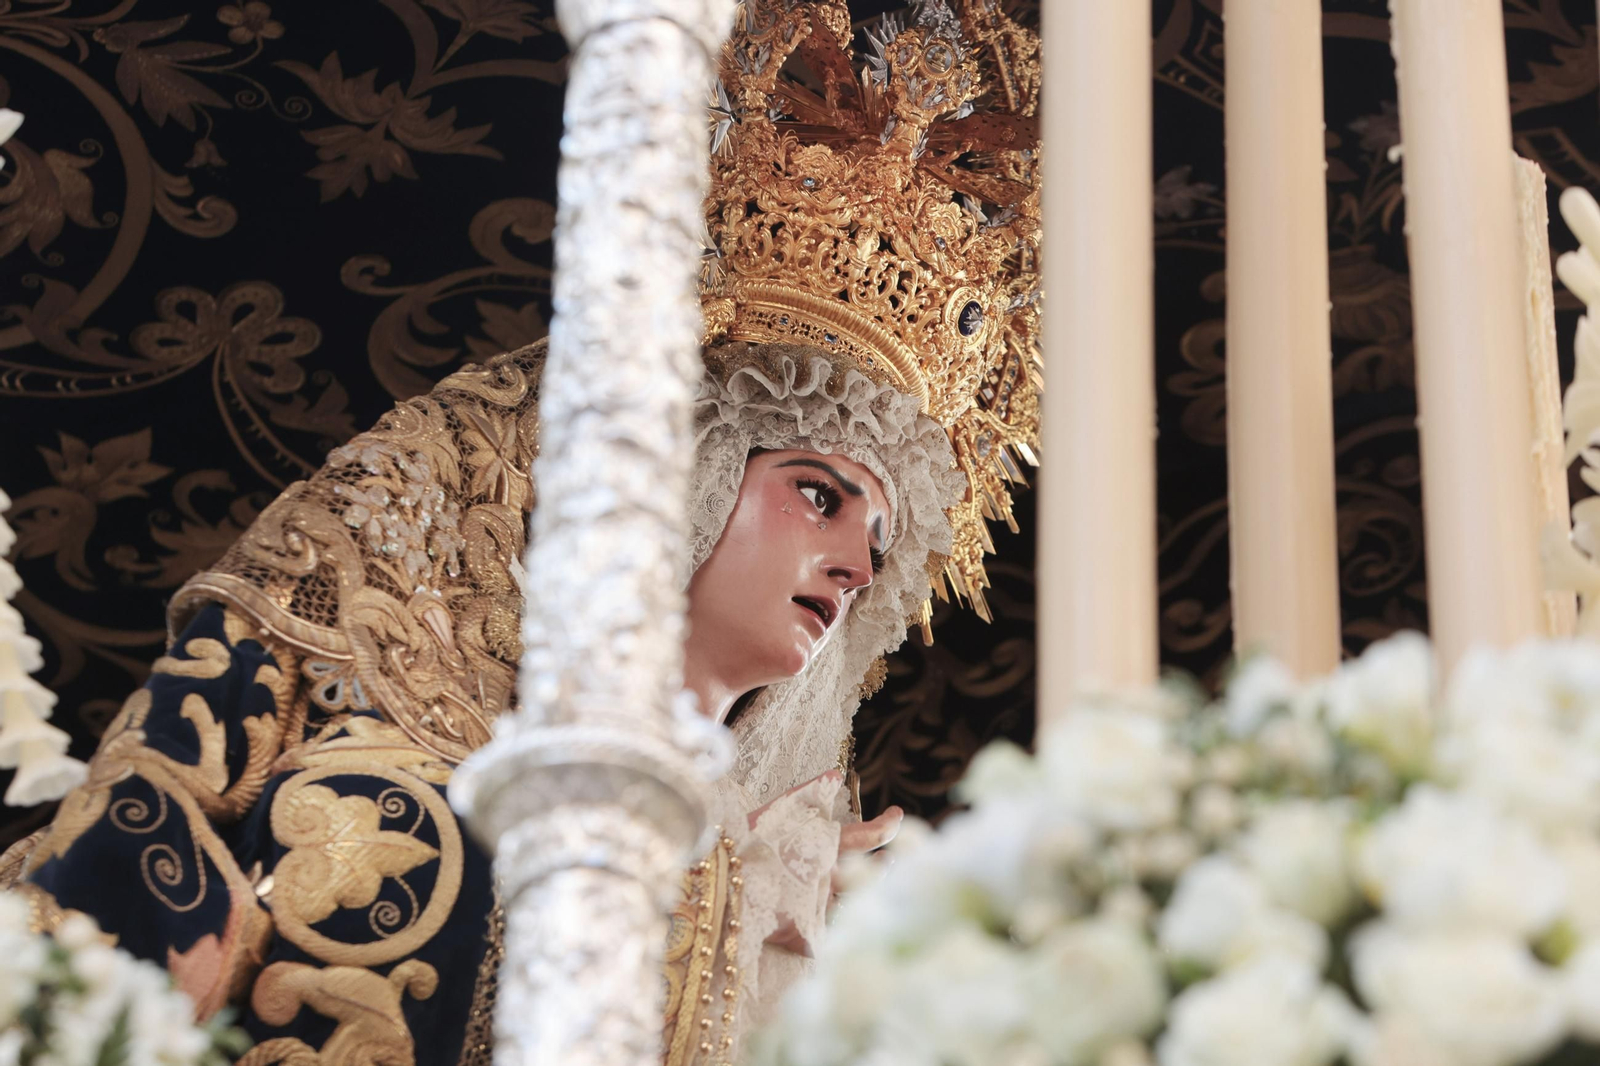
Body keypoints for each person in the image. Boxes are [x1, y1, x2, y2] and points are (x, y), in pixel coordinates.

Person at [4, 2, 1041, 1063]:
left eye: (878, 537)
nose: (857, 563)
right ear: (681, 478)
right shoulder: (388, 765)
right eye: (817, 494)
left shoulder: (799, 886)